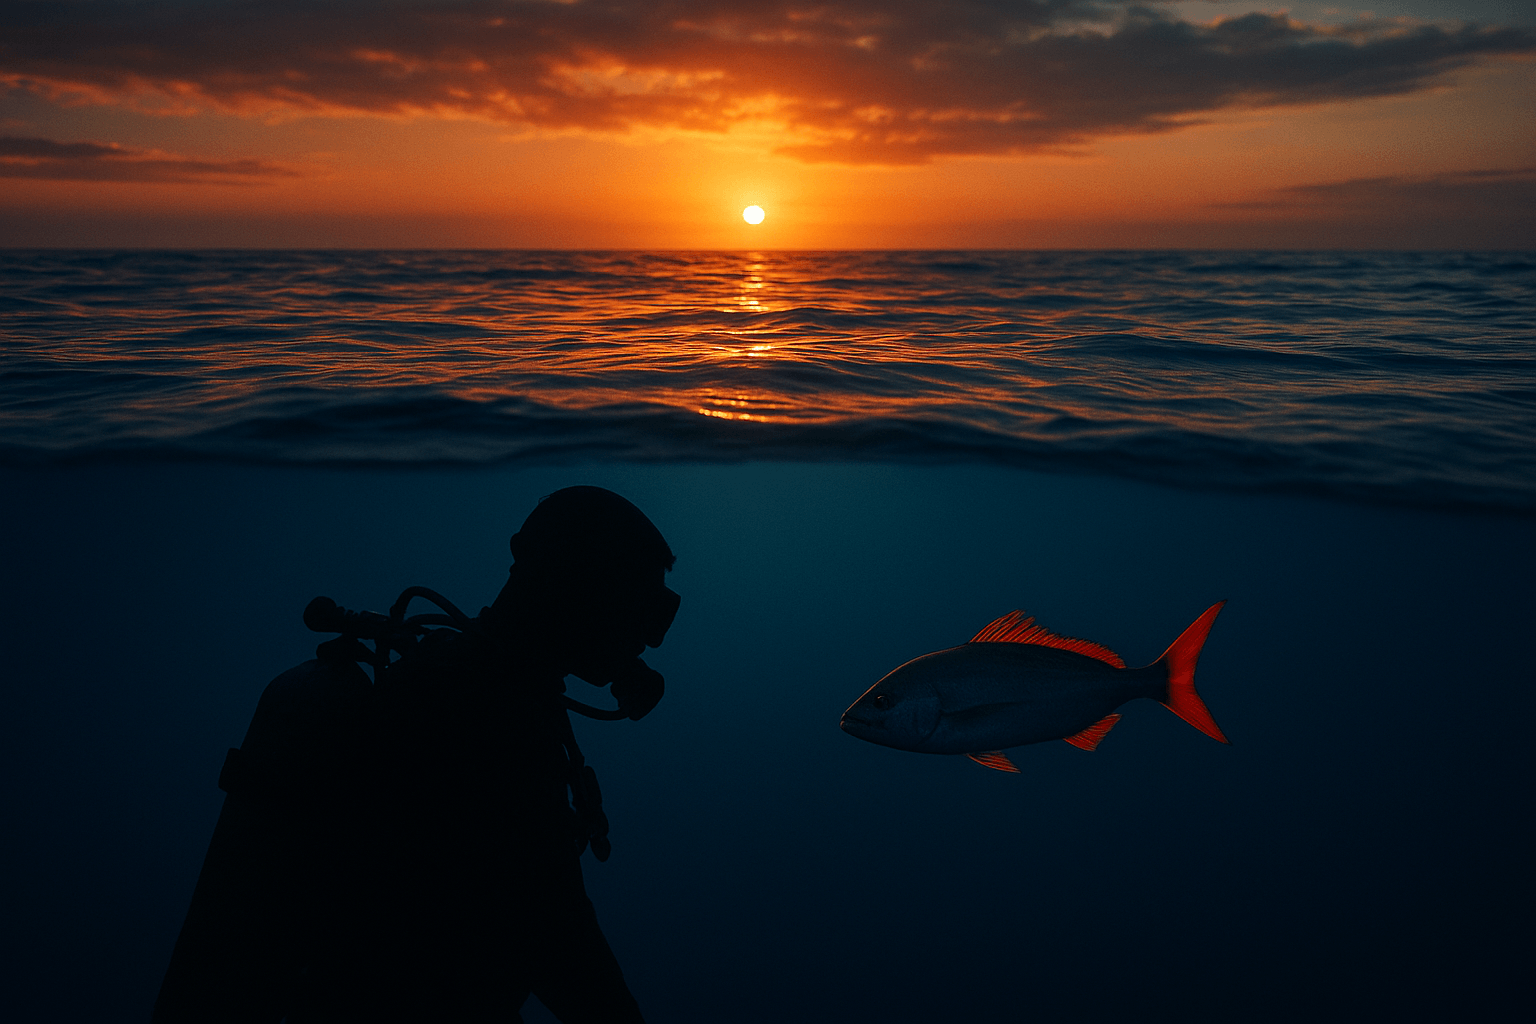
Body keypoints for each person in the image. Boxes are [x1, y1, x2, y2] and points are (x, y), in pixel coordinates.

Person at [152, 486, 680, 1023]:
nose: (650, 638)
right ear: (580, 585)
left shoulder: (481, 690)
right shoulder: (481, 709)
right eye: (643, 605)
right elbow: (550, 925)